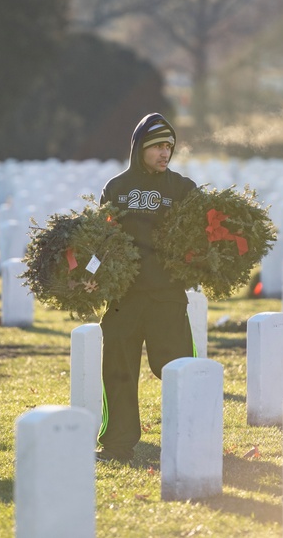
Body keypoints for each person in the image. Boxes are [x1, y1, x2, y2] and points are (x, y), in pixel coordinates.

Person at [95, 112, 197, 464]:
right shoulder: (117, 188)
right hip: (124, 298)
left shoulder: (183, 189)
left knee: (179, 367)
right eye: (157, 146)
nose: (164, 152)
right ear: (140, 148)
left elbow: (200, 240)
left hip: (168, 296)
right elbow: (100, 239)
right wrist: (91, 272)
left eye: (169, 146)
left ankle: (192, 436)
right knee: (118, 372)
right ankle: (117, 445)